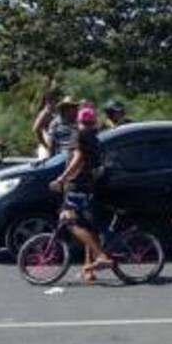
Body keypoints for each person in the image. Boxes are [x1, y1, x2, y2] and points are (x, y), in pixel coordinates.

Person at [48, 106, 113, 280]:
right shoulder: (95, 139)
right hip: (89, 187)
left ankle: (101, 256)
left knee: (69, 222)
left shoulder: (78, 135)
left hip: (76, 187)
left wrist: (62, 178)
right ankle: (88, 270)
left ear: (78, 121)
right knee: (87, 227)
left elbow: (78, 159)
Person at [32, 90, 61, 157]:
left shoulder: (55, 112)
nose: (57, 103)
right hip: (47, 144)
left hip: (55, 144)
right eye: (56, 100)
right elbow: (36, 129)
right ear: (48, 101)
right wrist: (45, 145)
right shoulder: (44, 114)